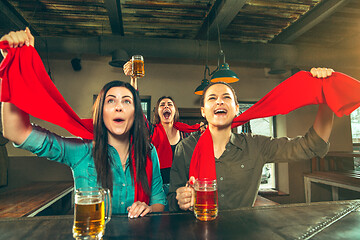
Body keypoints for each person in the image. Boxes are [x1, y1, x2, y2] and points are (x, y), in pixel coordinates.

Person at [0, 28, 166, 218]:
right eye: (110, 100)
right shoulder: (82, 151)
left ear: (136, 114)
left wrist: (149, 208)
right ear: (100, 113)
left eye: (127, 101)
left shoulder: (149, 151)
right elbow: (16, 132)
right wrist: (11, 66)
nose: (118, 107)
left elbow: (159, 201)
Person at [168, 69, 335, 211]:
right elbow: (171, 200)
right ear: (203, 111)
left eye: (226, 97)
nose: (219, 101)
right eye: (212, 98)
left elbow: (310, 146)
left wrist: (327, 97)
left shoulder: (256, 146)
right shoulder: (185, 148)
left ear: (236, 109)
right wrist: (180, 199)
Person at [123, 61, 192, 195]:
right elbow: (136, 110)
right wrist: (133, 79)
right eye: (162, 105)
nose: (166, 106)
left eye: (169, 104)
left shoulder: (185, 134)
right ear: (157, 112)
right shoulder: (151, 130)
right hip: (156, 188)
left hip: (181, 188)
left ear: (175, 111)